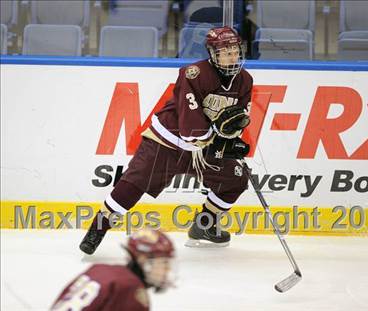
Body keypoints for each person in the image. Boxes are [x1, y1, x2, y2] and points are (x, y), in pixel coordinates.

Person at [79, 26, 253, 254]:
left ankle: (204, 226)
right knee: (132, 184)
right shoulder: (194, 74)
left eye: (235, 51)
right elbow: (191, 129)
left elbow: (239, 119)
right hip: (167, 142)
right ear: (213, 54)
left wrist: (232, 139)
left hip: (203, 149)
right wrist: (219, 139)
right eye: (226, 51)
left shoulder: (245, 81)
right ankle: (97, 230)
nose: (233, 56)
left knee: (235, 179)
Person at [52, 229, 175, 311]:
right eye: (163, 262)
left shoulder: (99, 269)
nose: (167, 269)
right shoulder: (132, 290)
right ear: (143, 260)